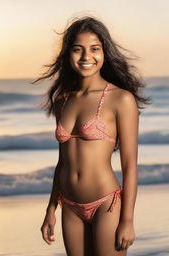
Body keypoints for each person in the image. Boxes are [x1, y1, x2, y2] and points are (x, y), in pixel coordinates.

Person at [32, 16, 150, 255]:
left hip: (106, 205)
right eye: (78, 49)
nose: (86, 57)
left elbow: (129, 166)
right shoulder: (62, 101)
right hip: (70, 206)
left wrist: (127, 220)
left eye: (94, 49)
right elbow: (62, 162)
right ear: (68, 54)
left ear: (104, 52)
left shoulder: (120, 99)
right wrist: (50, 209)